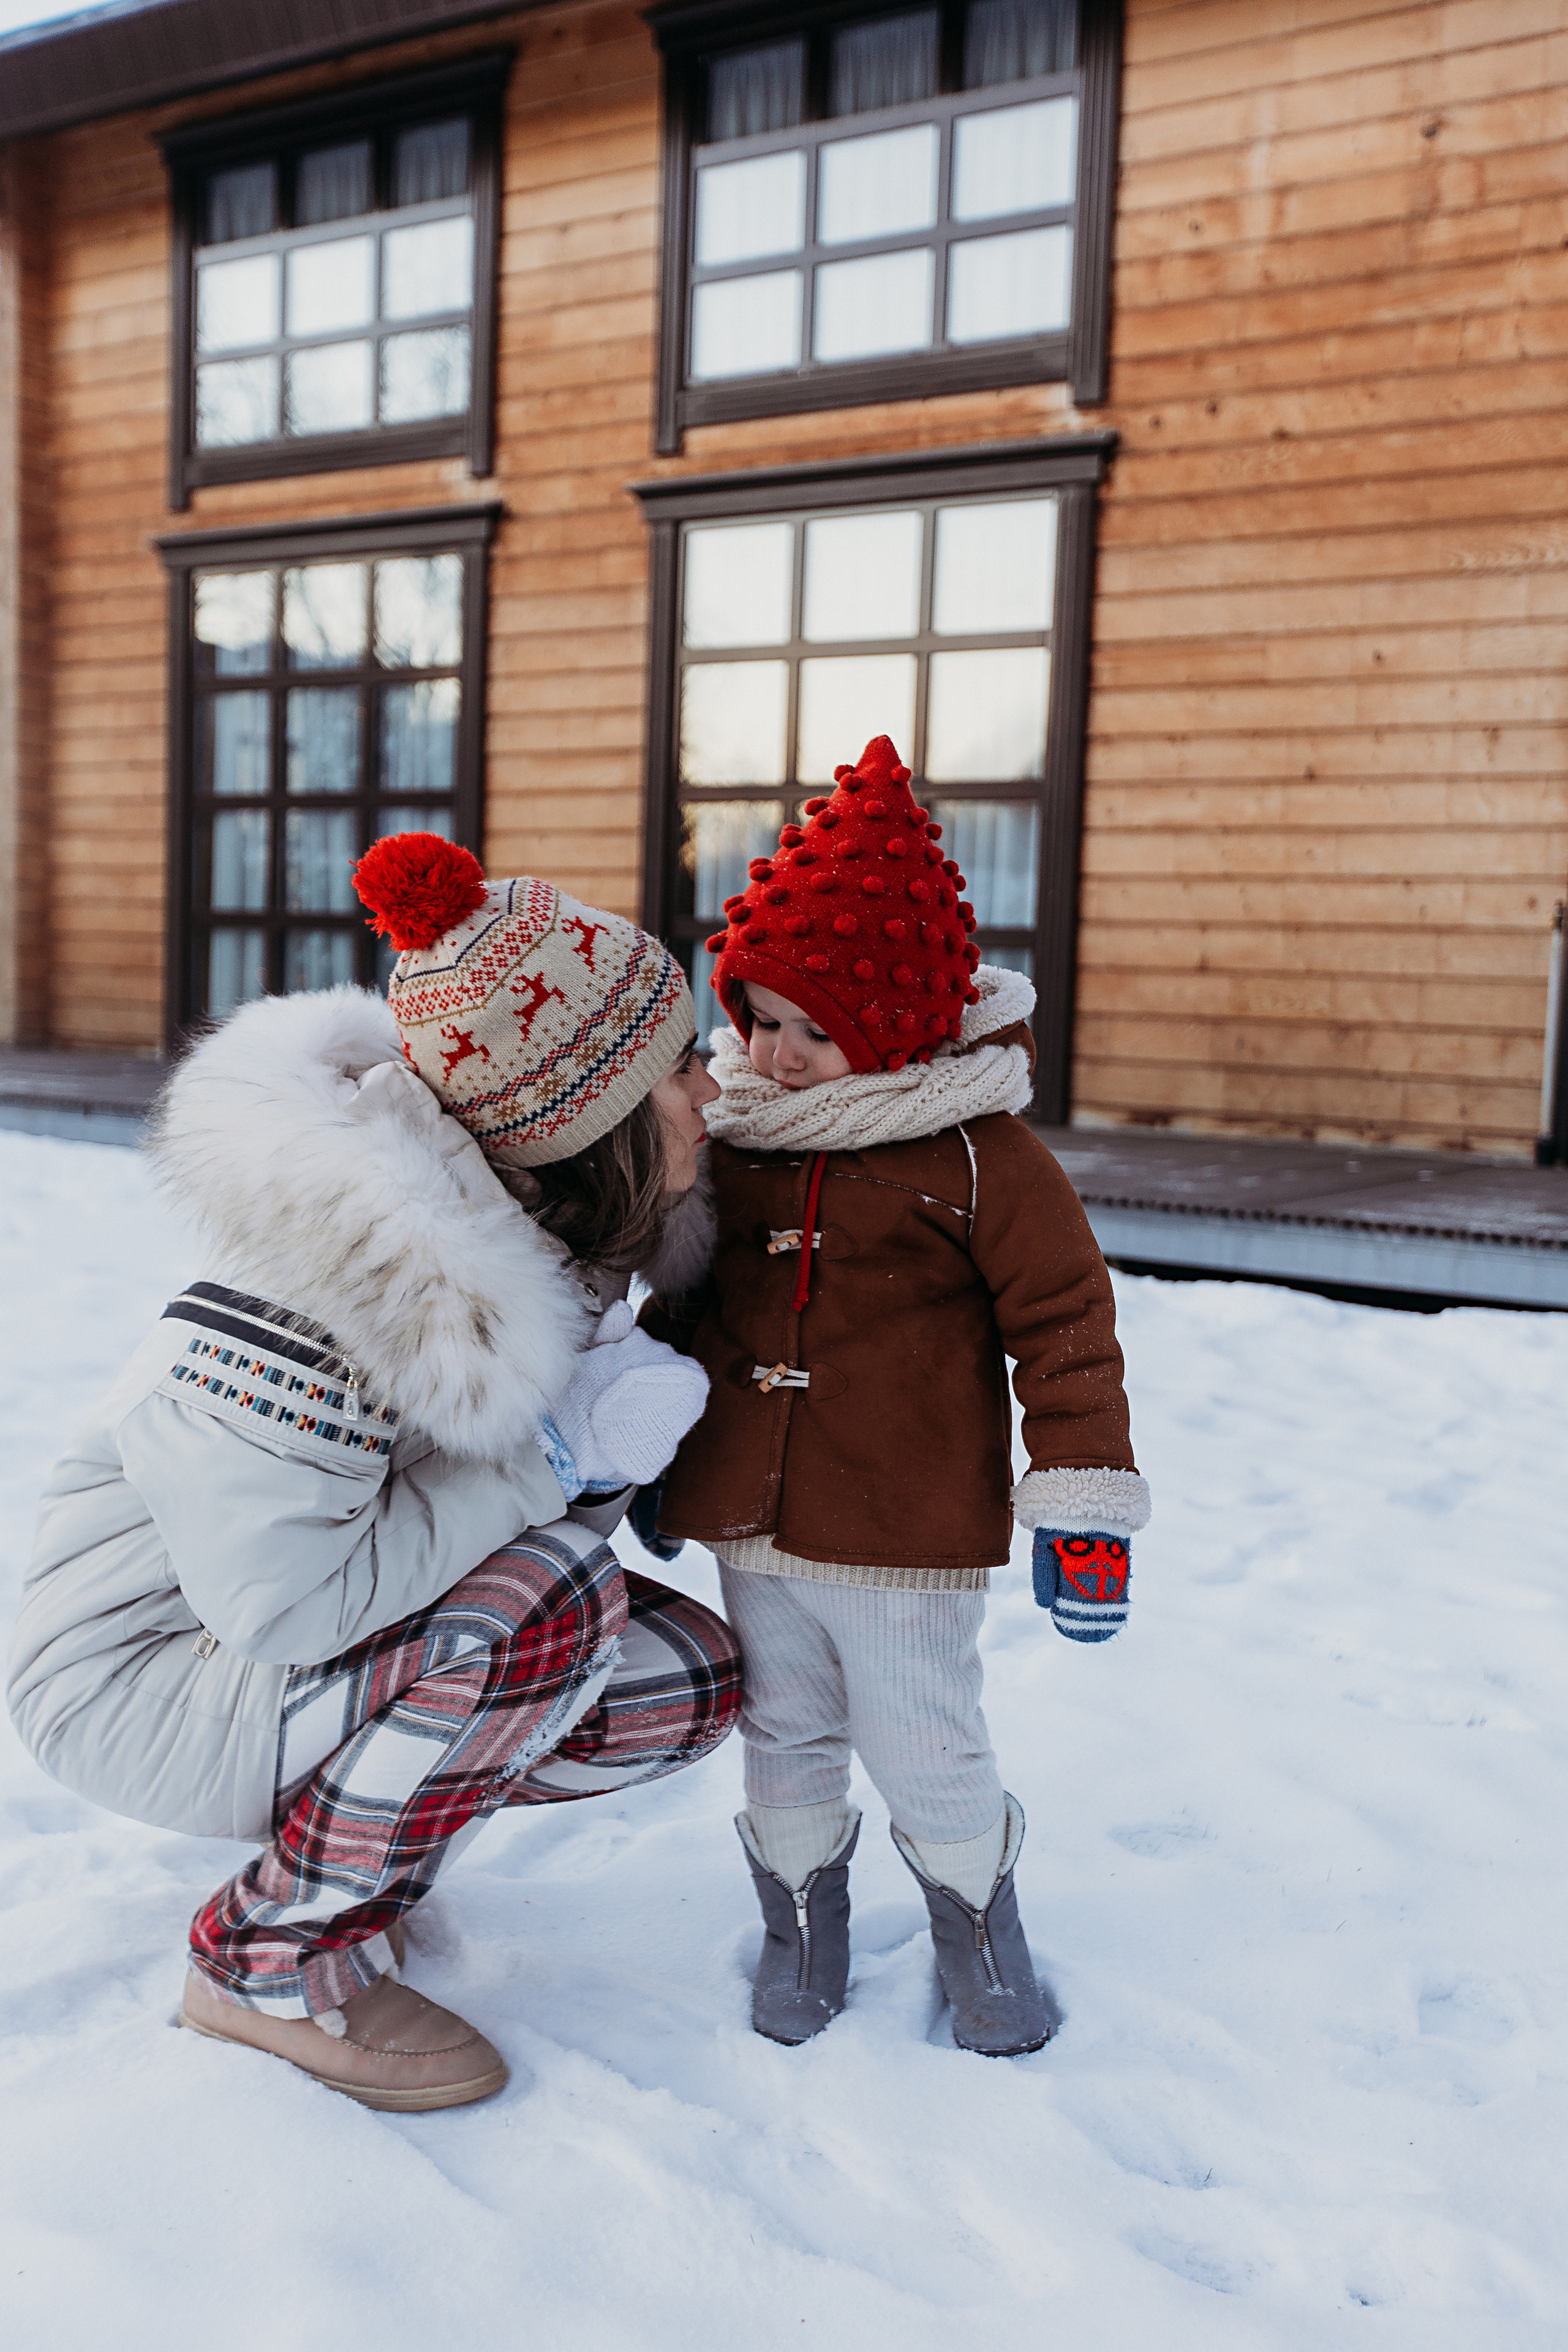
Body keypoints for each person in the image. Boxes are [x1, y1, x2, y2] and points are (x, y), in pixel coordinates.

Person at [7, 835, 737, 2111]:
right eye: (684, 1066)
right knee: (552, 1605)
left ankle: (360, 1859)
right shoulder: (333, 1291)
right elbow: (282, 1603)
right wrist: (562, 1454)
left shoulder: (531, 1232)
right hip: (136, 1675)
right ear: (591, 1120)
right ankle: (266, 1960)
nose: (714, 1090)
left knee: (681, 1681)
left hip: (262, 1662)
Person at [643, 736, 1151, 2057]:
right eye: (758, 1014)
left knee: (924, 1740)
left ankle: (977, 1930)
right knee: (784, 1729)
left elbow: (1064, 1327)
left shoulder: (983, 1154)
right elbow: (688, 1307)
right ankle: (797, 1925)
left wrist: (1081, 1505)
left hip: (904, 1525)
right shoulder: (740, 1135)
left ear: (902, 1017)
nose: (779, 1050)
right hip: (752, 1512)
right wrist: (644, 1455)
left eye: (819, 1026)